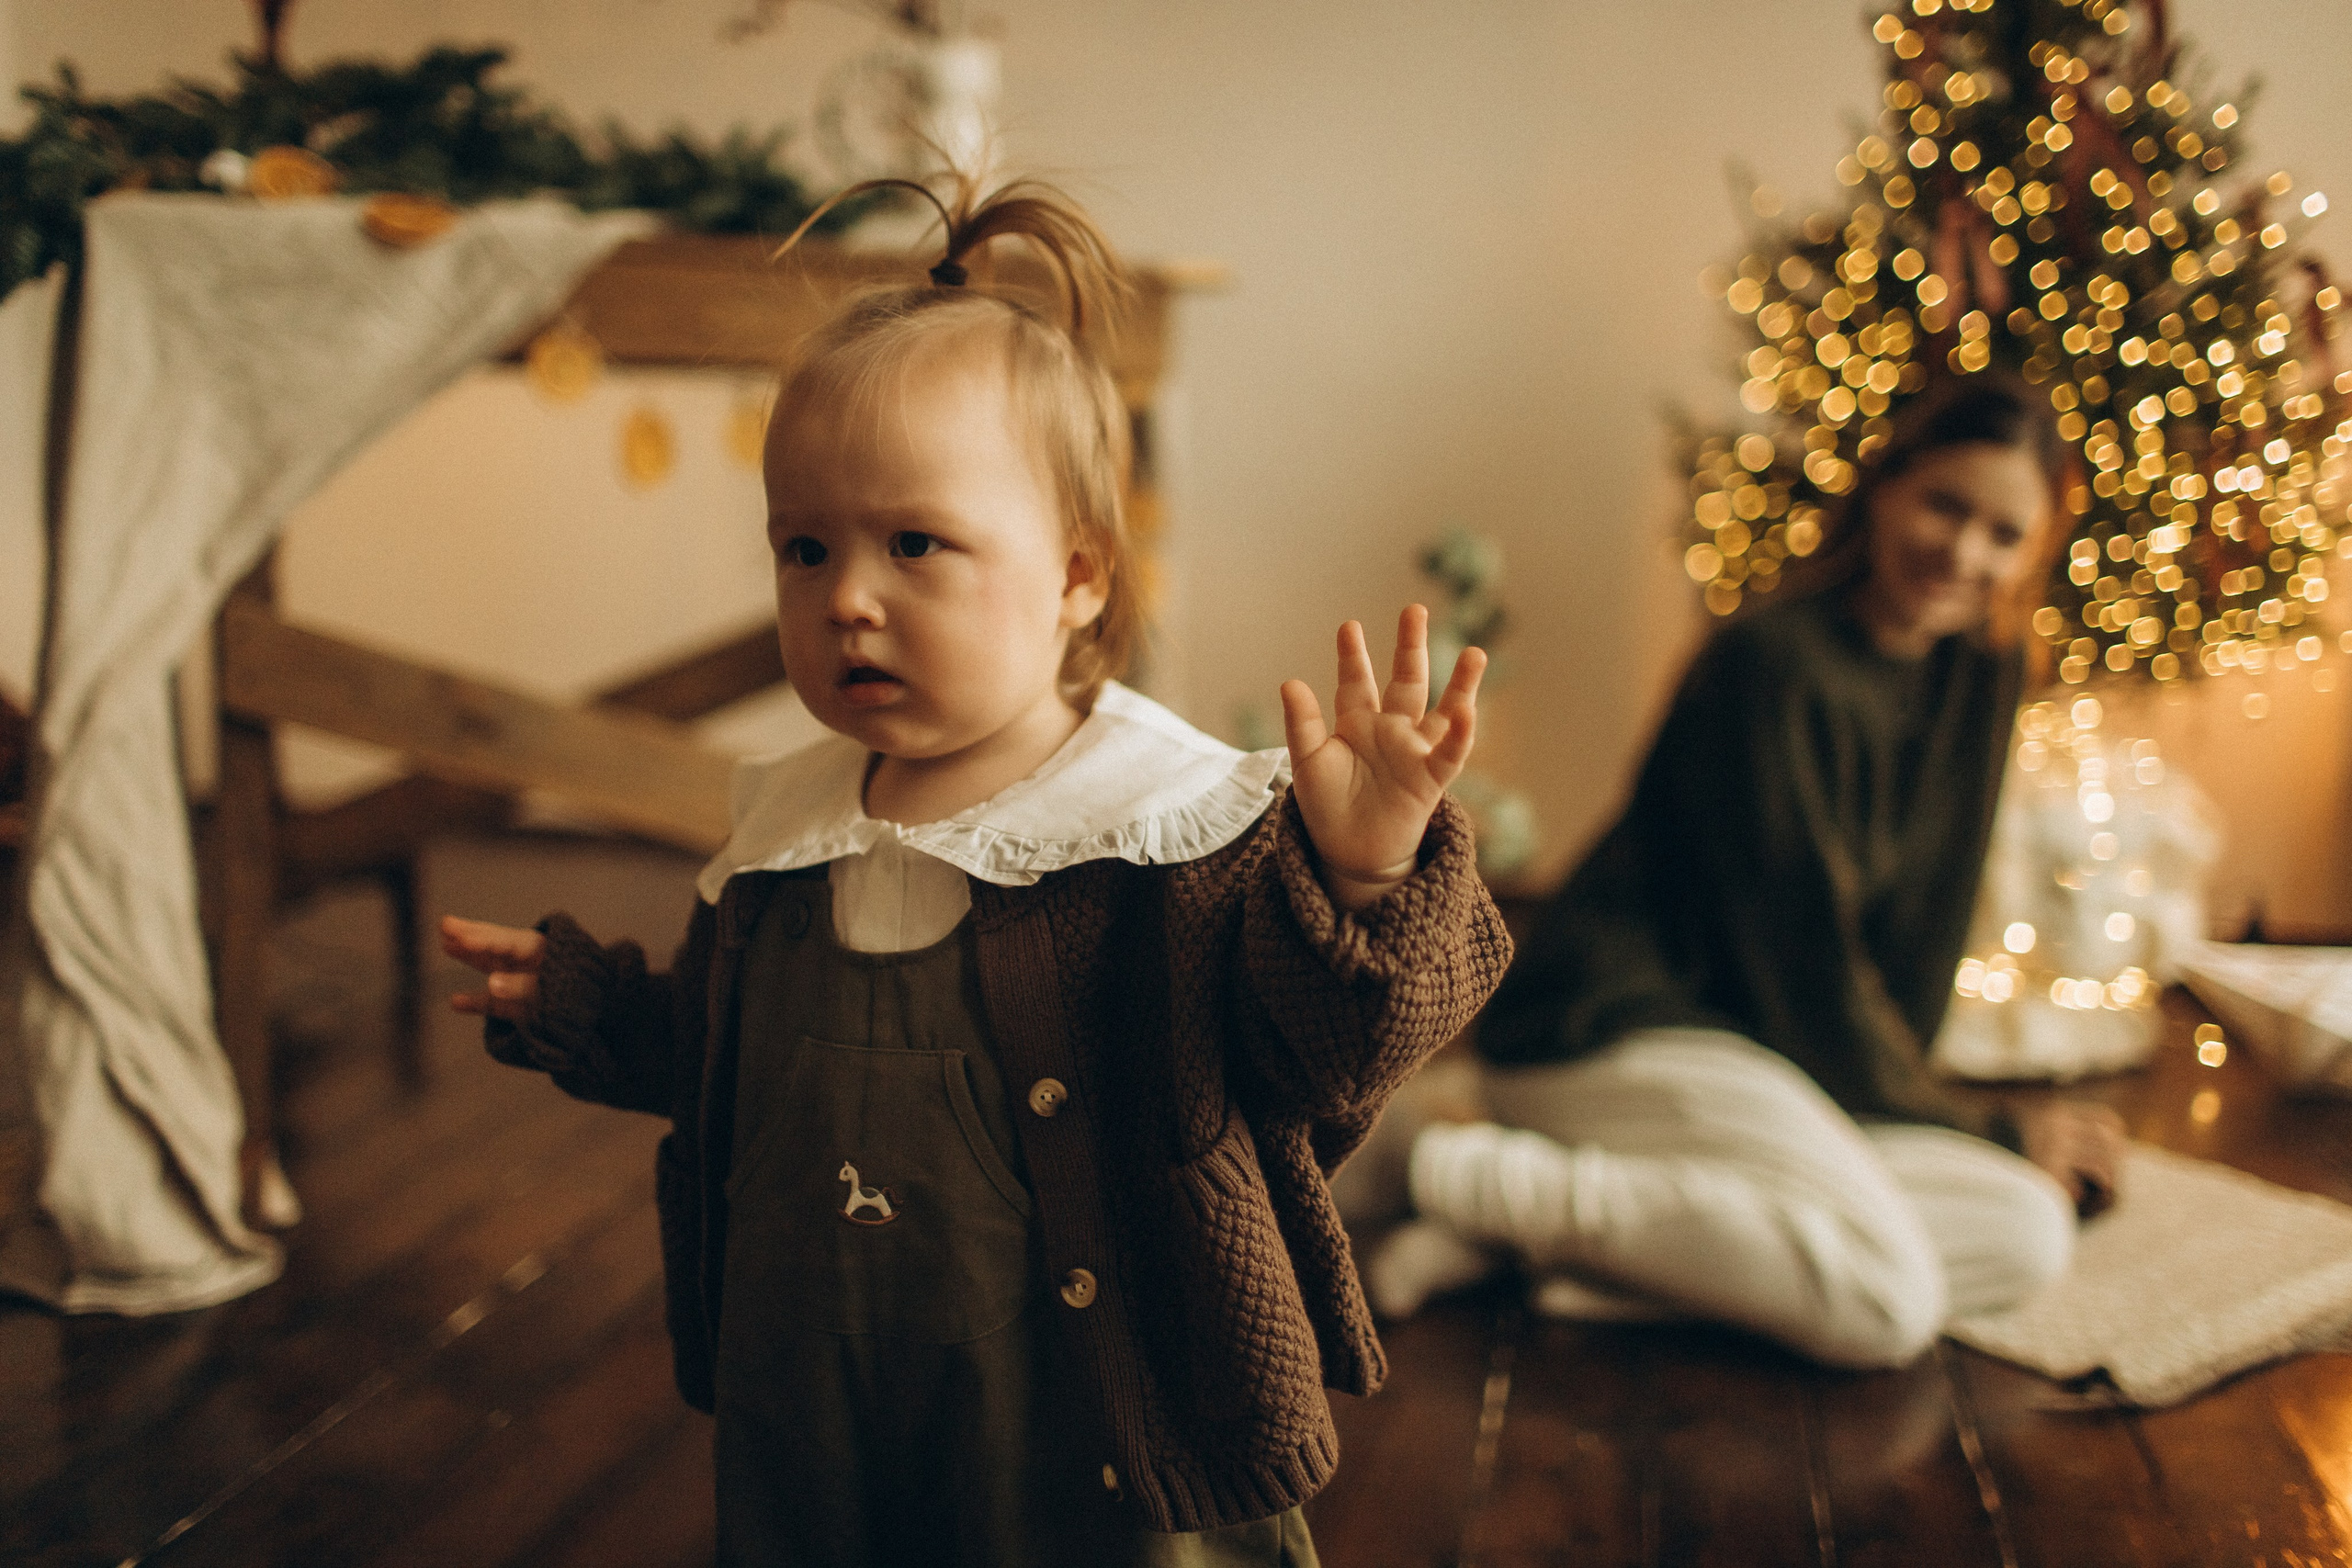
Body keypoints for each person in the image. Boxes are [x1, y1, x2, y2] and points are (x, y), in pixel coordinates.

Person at [439, 171, 1510, 1567]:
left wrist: (1363, 872)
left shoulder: (1161, 827)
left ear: (1075, 574)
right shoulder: (785, 829)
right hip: (820, 1406)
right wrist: (587, 1000)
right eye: (803, 547)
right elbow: (727, 1054)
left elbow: (1331, 1051)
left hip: (1090, 1421)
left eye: (915, 544)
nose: (847, 598)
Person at [1376, 378, 2122, 1370]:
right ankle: (1446, 1166)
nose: (1962, 552)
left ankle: (1516, 1238)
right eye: (1944, 505)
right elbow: (1799, 958)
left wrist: (1927, 1115)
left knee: (2025, 1232)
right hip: (1614, 1027)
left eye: (2002, 531)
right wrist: (1982, 1124)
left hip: (1774, 1055)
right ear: (1885, 489)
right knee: (1885, 1303)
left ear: (2034, 549)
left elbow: (1921, 934)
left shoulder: (1980, 678)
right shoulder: (1768, 662)